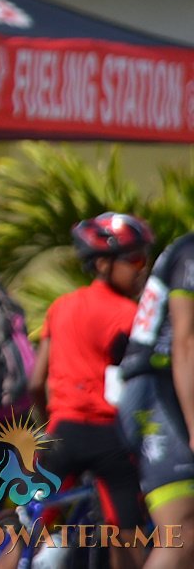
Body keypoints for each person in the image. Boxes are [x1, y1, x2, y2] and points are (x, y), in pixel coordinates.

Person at [30, 212, 152, 569]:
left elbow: (35, 383)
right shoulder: (129, 315)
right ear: (102, 263)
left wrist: (46, 426)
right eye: (135, 259)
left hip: (62, 431)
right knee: (127, 538)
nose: (142, 269)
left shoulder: (60, 307)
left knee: (29, 527)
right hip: (109, 438)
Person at [119, 225, 194, 569]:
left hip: (169, 389)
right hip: (156, 392)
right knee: (183, 530)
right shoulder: (190, 253)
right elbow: (186, 344)